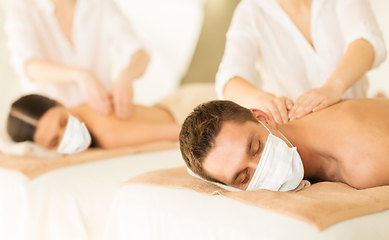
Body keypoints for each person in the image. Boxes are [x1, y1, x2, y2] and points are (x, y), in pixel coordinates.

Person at [216, 0, 386, 124]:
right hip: (297, 129)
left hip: (355, 120)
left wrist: (333, 87)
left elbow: (366, 41)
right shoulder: (250, 11)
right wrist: (267, 101)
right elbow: (229, 80)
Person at [179, 98, 389, 192]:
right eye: (244, 177)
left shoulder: (366, 163)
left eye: (257, 148)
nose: (263, 166)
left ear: (264, 118)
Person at [5, 0, 149, 119]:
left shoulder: (100, 4)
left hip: (99, 118)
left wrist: (127, 75)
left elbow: (139, 53)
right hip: (52, 124)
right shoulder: (22, 7)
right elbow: (30, 67)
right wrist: (80, 75)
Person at [7, 83, 216, 153]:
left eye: (62, 122)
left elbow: (184, 131)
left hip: (194, 107)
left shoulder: (106, 134)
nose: (67, 135)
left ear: (60, 103)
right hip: (174, 104)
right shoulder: (78, 110)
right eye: (55, 141)